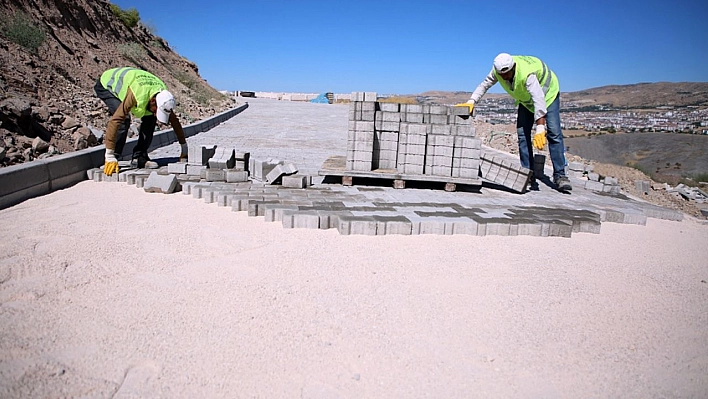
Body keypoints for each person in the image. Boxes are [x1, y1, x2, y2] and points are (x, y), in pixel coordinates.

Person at [456, 53, 572, 191]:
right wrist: (472, 101)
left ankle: (560, 176)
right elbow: (485, 84)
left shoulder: (527, 75)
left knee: (554, 133)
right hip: (526, 100)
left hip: (548, 94)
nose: (504, 77)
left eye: (507, 73)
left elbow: (539, 99)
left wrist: (540, 127)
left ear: (513, 67)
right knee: (522, 133)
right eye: (501, 74)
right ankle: (527, 174)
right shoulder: (497, 71)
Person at [94, 67, 188, 175]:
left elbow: (175, 122)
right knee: (124, 120)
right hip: (107, 85)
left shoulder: (163, 98)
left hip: (140, 86)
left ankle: (140, 157)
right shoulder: (137, 93)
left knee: (151, 119)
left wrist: (184, 148)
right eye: (156, 110)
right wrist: (109, 155)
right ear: (153, 101)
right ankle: (112, 158)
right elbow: (115, 120)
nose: (155, 113)